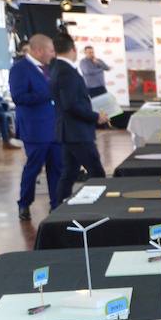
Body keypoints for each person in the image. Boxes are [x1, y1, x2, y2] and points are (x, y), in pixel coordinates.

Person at [7, 34, 63, 219]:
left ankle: (56, 204)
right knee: (34, 167)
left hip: (54, 127)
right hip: (35, 129)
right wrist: (48, 93)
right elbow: (19, 97)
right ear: (39, 50)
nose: (53, 54)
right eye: (50, 50)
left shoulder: (50, 67)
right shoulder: (20, 69)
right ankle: (24, 203)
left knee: (57, 167)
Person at [51, 33, 108, 203]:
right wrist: (95, 116)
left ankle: (57, 208)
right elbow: (71, 105)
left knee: (69, 173)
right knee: (97, 173)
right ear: (73, 49)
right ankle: (98, 209)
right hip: (76, 132)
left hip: (71, 131)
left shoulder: (59, 68)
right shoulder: (65, 71)